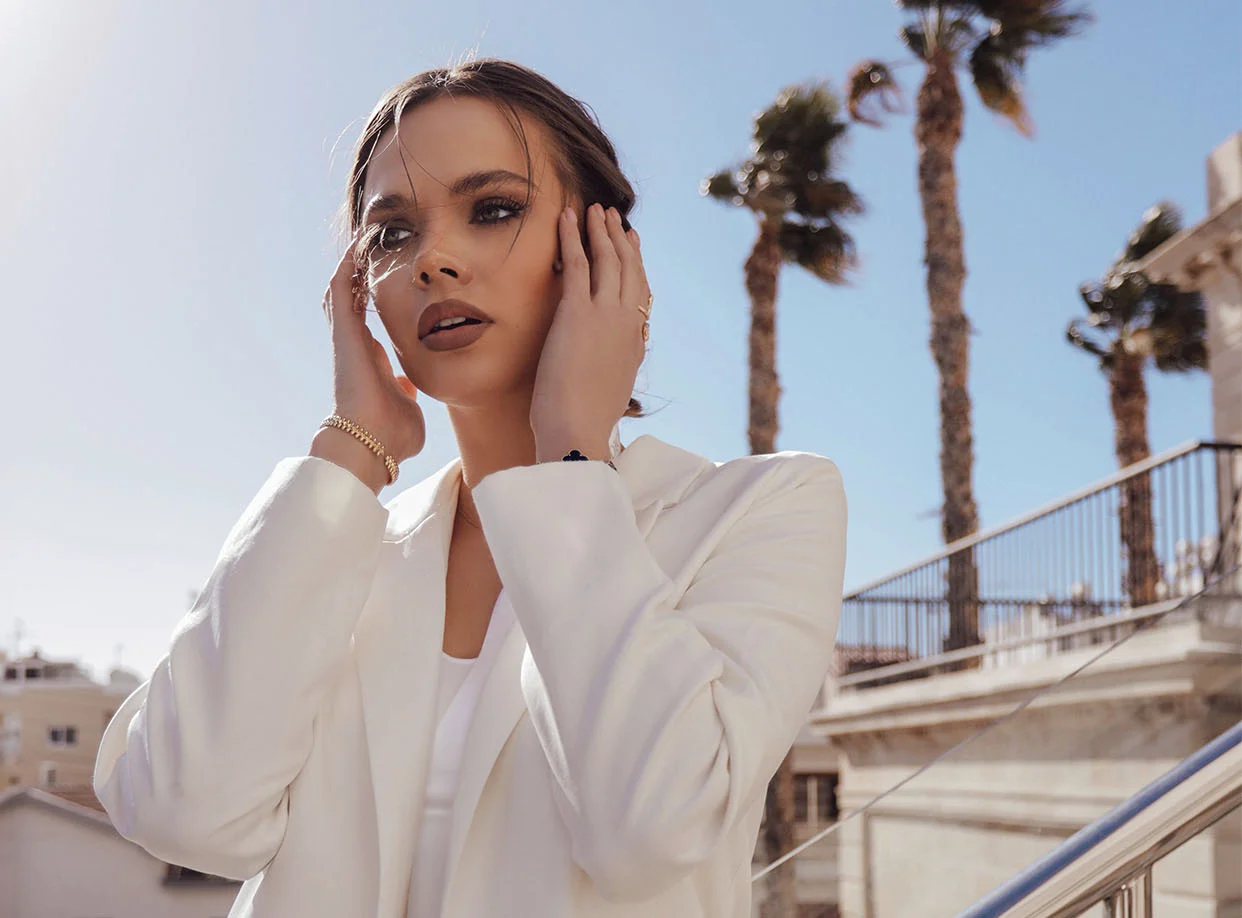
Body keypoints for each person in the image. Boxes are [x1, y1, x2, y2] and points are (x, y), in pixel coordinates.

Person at [93, 57, 847, 918]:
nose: (434, 259)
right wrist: (353, 448)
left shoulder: (759, 513)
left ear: (602, 248)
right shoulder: (337, 547)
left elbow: (651, 834)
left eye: (493, 209)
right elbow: (184, 814)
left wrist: (570, 453)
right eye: (391, 234)